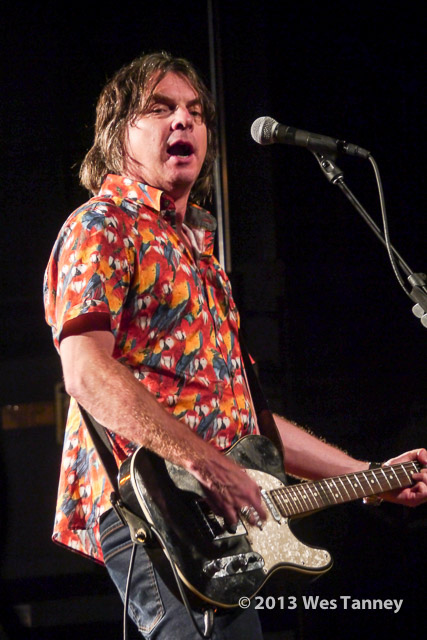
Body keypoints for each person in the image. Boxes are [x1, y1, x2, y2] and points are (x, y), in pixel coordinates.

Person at [43, 52, 427, 639]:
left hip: (223, 521)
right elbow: (85, 371)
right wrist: (205, 462)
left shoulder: (200, 257)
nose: (184, 120)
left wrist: (370, 474)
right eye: (161, 108)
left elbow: (253, 427)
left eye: (195, 111)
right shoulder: (103, 225)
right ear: (118, 135)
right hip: (154, 509)